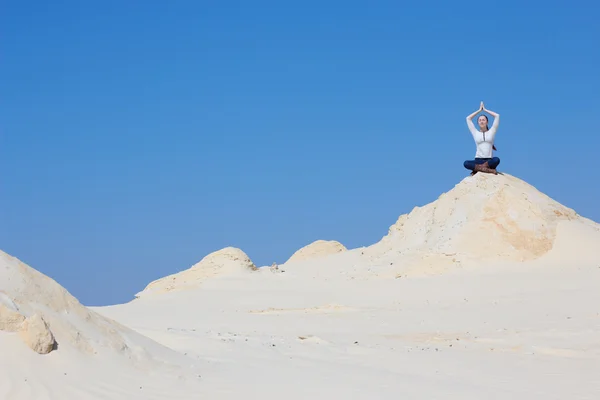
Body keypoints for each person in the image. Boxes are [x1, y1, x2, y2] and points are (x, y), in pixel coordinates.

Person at [464, 101, 500, 175]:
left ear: (487, 122)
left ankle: (478, 169)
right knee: (466, 163)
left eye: (483, 120)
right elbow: (468, 118)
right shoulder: (475, 133)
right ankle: (488, 170)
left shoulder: (491, 132)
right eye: (479, 120)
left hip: (489, 161)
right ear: (478, 123)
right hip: (478, 160)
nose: (481, 121)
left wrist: (485, 110)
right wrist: (479, 110)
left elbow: (497, 116)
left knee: (496, 160)